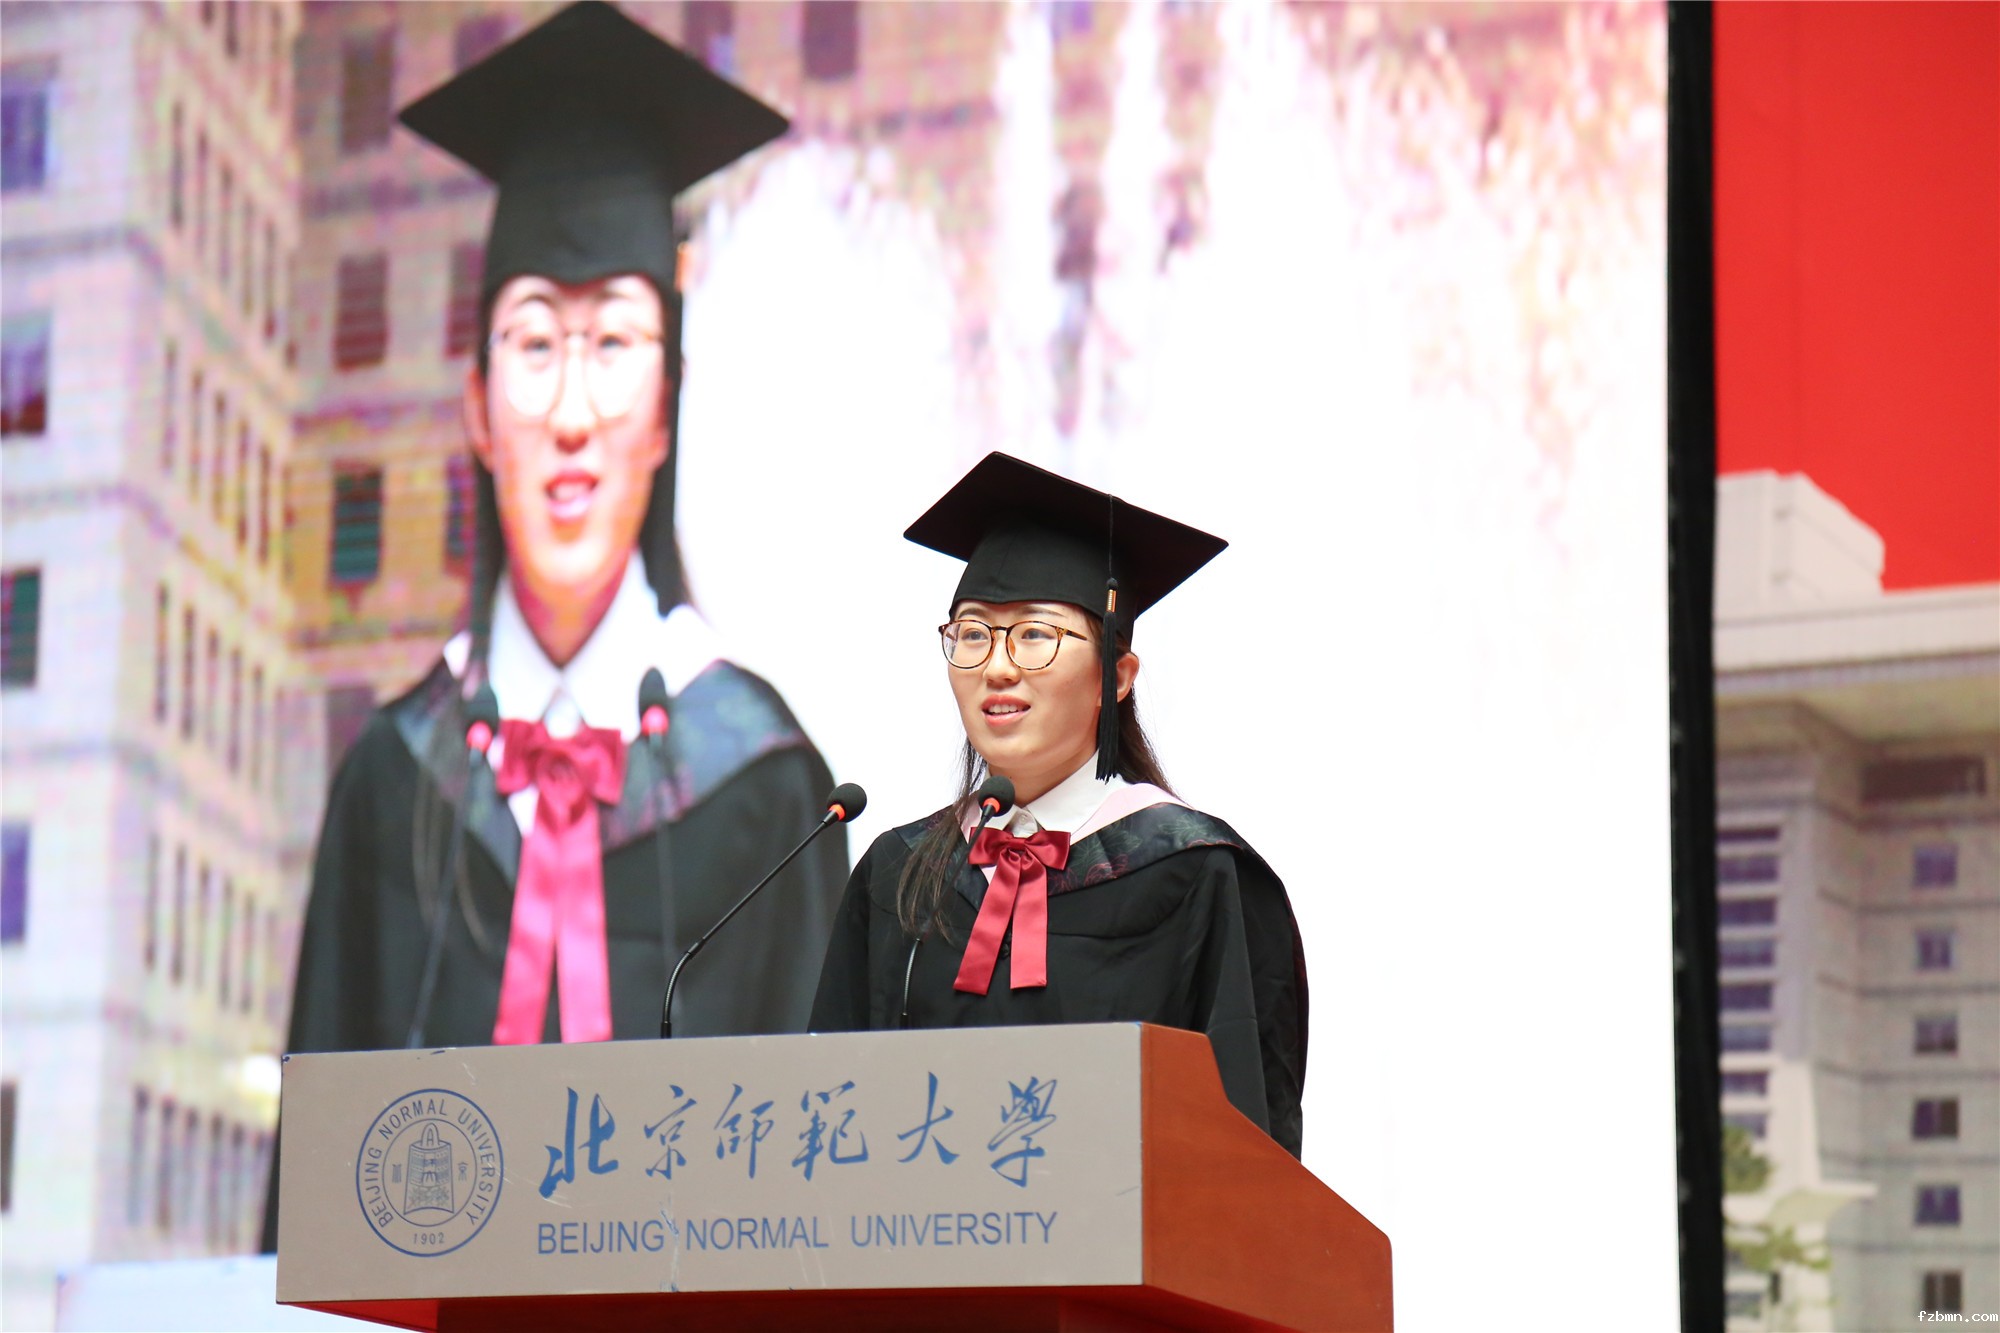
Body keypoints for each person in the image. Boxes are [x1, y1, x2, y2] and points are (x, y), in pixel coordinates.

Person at [266, 4, 847, 1248]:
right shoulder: (393, 782)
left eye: (615, 343)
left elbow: (824, 1206)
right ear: (477, 408)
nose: (573, 411)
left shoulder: (767, 790)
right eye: (533, 342)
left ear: (666, 409)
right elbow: (308, 1223)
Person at [809, 452, 1307, 1156]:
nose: (997, 666)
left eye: (1036, 635)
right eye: (972, 634)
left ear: (1117, 676)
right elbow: (830, 1114)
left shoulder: (1196, 873)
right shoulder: (899, 875)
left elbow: (1247, 1144)